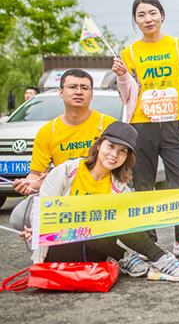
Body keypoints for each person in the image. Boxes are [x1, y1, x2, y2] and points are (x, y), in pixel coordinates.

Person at [18, 122, 179, 282]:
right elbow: (42, 211)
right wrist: (37, 229)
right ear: (99, 144)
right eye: (110, 146)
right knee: (84, 217)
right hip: (59, 251)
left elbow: (137, 218)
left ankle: (160, 259)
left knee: (120, 213)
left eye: (122, 151)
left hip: (95, 256)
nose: (114, 154)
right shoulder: (65, 171)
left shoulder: (120, 187)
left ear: (128, 157)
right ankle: (124, 256)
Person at [112, 0, 179, 256]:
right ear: (135, 20)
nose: (147, 19)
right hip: (141, 126)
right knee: (143, 184)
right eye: (141, 15)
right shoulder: (129, 52)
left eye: (152, 13)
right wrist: (122, 75)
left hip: (174, 124)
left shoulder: (177, 46)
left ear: (162, 15)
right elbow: (127, 95)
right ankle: (148, 240)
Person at [10, 70, 117, 229]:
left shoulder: (109, 125)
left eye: (84, 88)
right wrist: (27, 184)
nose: (79, 91)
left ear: (91, 94)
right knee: (20, 217)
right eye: (72, 86)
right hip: (63, 193)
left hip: (100, 191)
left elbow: (122, 167)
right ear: (61, 92)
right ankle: (53, 247)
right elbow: (36, 174)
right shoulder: (48, 131)